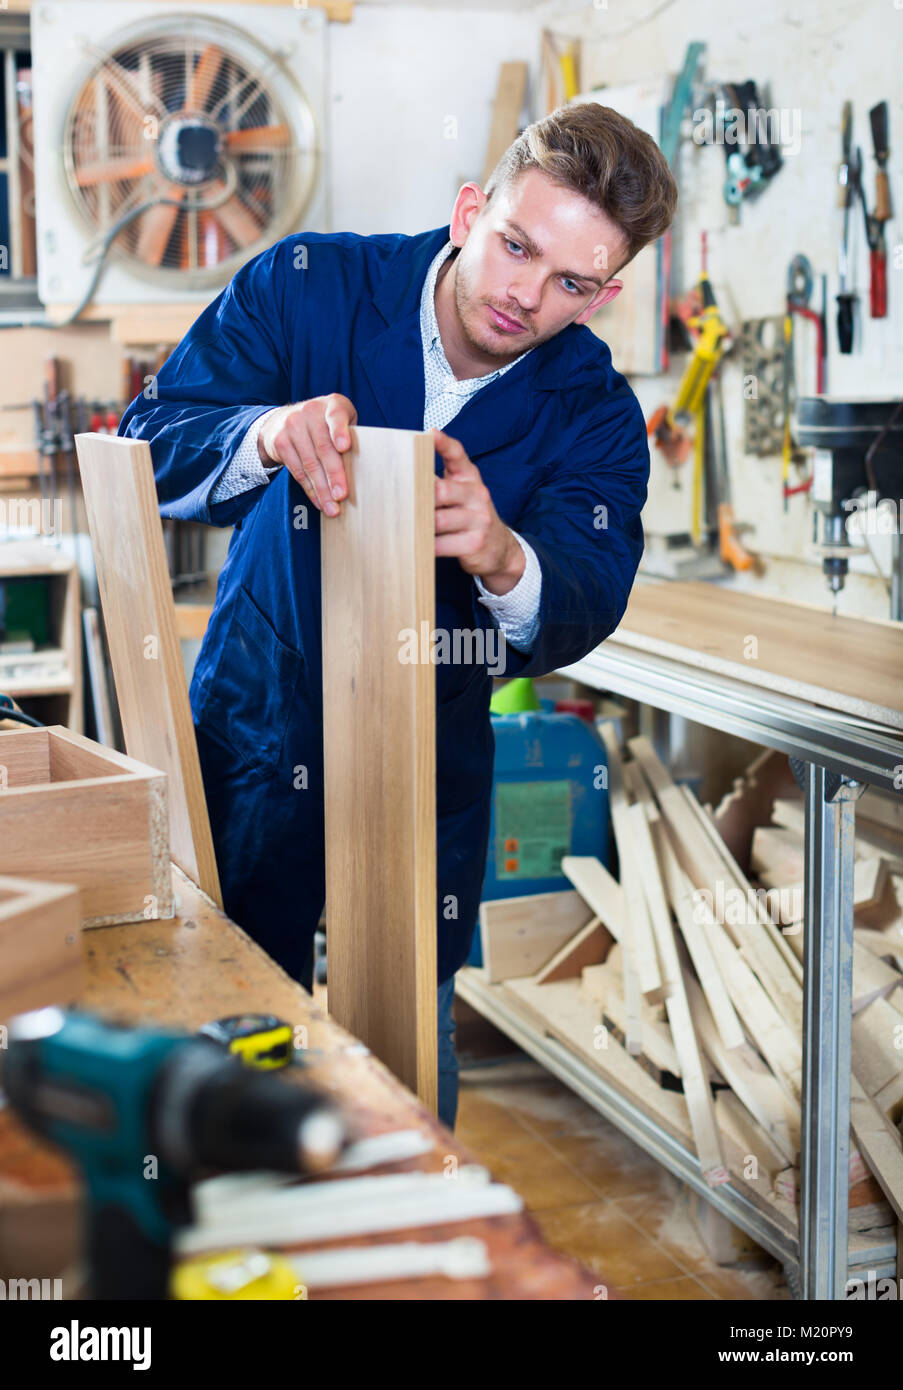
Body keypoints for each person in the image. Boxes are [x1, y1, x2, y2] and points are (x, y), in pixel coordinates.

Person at [119, 102, 678, 1129]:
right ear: (470, 211)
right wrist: (268, 433)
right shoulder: (312, 285)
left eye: (572, 283)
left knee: (409, 1058)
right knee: (235, 1026)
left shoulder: (593, 407)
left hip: (430, 758)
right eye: (516, 245)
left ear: (608, 292)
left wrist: (506, 553)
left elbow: (589, 591)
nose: (525, 295)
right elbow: (150, 436)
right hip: (260, 712)